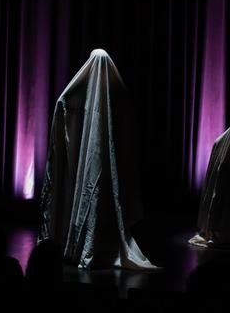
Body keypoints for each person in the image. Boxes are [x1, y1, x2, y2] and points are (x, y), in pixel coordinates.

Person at [39, 49, 156, 270]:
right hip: (101, 168)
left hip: (98, 168)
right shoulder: (117, 94)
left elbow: (63, 105)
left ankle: (83, 241)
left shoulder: (87, 93)